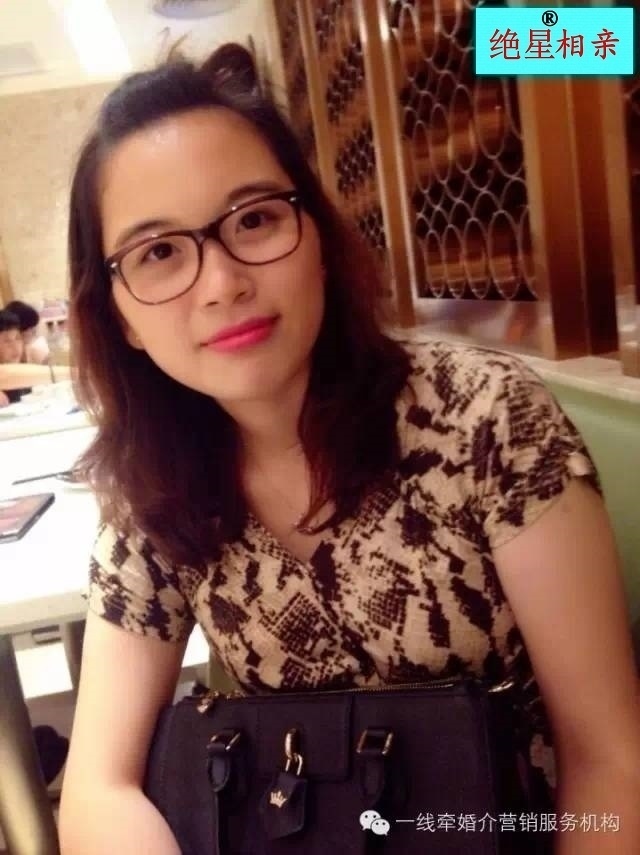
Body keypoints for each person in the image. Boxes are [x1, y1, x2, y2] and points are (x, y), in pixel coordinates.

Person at [58, 47, 640, 855]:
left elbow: (610, 757)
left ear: (319, 237)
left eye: (254, 219)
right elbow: (97, 786)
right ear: (119, 313)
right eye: (159, 252)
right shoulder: (153, 489)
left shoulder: (483, 420)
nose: (221, 283)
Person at [4, 299, 50, 364]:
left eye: (33, 327)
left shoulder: (37, 349)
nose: (32, 332)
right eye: (28, 328)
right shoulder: (8, 352)